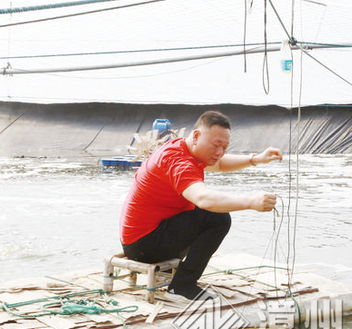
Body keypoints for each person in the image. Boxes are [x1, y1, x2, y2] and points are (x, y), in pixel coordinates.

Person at [119, 111, 283, 301]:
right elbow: (203, 199)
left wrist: (255, 159)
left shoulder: (184, 148)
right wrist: (251, 202)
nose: (220, 152)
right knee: (217, 217)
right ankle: (182, 286)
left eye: (224, 147)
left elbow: (219, 164)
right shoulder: (177, 161)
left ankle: (179, 277)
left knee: (210, 212)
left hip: (142, 239)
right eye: (216, 145)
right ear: (196, 136)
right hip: (143, 245)